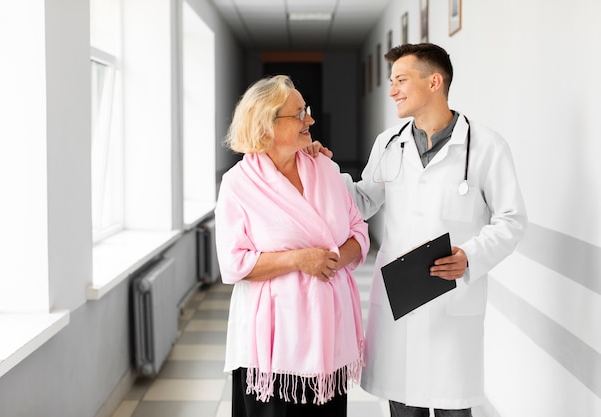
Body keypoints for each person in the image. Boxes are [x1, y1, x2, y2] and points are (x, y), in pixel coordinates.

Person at [309, 43, 527, 416]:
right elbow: (363, 202)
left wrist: (470, 256)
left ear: (434, 82)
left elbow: (511, 219)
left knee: (451, 407)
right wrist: (325, 169)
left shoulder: (486, 147)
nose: (392, 89)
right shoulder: (389, 143)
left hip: (451, 301)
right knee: (403, 405)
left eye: (401, 80)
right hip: (400, 299)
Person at [215, 75, 370, 417]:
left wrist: (332, 259)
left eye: (307, 110)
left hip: (327, 332)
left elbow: (358, 231)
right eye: (299, 113)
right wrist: (300, 260)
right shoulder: (238, 185)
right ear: (265, 125)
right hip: (272, 342)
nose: (310, 120)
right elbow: (233, 263)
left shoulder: (326, 169)